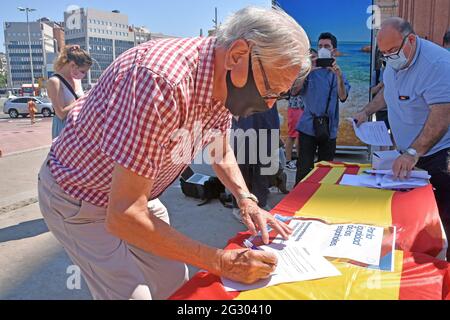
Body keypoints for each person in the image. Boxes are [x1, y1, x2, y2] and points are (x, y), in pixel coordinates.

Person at [37, 6, 310, 300]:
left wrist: (246, 199)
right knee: (132, 295)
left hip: (137, 197)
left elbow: (218, 145)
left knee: (176, 282)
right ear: (237, 54)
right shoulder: (159, 81)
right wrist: (220, 261)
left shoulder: (222, 77)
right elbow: (124, 214)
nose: (269, 105)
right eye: (269, 91)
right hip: (80, 200)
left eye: (278, 96)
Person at [354, 18, 450, 259]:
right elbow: (388, 91)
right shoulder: (395, 60)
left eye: (392, 51)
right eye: (384, 53)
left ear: (411, 40)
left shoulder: (437, 64)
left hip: (438, 155)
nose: (388, 57)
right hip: (410, 154)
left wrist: (412, 152)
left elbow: (442, 114)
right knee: (413, 216)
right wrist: (366, 111)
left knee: (443, 217)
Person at [295, 32, 351, 184]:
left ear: (334, 50)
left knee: (325, 169)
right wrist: (308, 70)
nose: (322, 49)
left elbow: (343, 96)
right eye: (320, 46)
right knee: (304, 167)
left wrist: (338, 75)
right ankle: (298, 201)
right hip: (308, 126)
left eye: (327, 46)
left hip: (329, 128)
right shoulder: (309, 72)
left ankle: (319, 201)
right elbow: (294, 91)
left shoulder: (339, 74)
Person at [231, 104, 287, 216]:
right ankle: (239, 206)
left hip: (267, 121)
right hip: (243, 121)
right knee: (242, 167)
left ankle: (261, 203)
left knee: (264, 166)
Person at [47, 45, 92, 140]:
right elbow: (61, 113)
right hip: (64, 129)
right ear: (72, 65)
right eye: (82, 71)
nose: (83, 75)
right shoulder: (54, 82)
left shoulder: (76, 80)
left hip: (79, 128)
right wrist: (84, 99)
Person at [284, 50, 316, 171]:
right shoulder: (300, 71)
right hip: (295, 106)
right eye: (311, 58)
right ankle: (288, 160)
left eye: (315, 58)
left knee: (301, 136)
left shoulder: (314, 72)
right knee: (293, 135)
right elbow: (294, 89)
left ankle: (300, 159)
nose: (313, 60)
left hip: (305, 108)